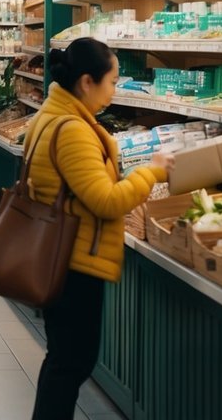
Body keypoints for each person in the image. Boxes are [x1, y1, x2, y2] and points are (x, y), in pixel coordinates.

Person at [28, 38, 168, 420]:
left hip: (60, 254)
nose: (115, 90)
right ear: (87, 82)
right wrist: (151, 172)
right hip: (73, 260)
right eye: (113, 81)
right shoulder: (72, 129)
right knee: (71, 363)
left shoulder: (54, 115)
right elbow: (105, 200)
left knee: (64, 360)